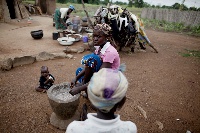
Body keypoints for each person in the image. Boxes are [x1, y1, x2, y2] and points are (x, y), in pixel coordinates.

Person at [66, 68, 137, 133]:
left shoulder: (74, 128)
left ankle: (84, 119)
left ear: (92, 99)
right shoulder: (130, 128)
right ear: (122, 102)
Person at [69, 23, 120, 96]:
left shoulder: (110, 52)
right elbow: (89, 65)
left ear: (107, 37)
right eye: (94, 36)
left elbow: (100, 76)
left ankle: (93, 92)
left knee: (93, 58)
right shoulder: (99, 48)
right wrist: (76, 78)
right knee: (79, 71)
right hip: (100, 73)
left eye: (99, 36)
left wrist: (79, 88)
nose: (95, 39)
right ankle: (88, 93)